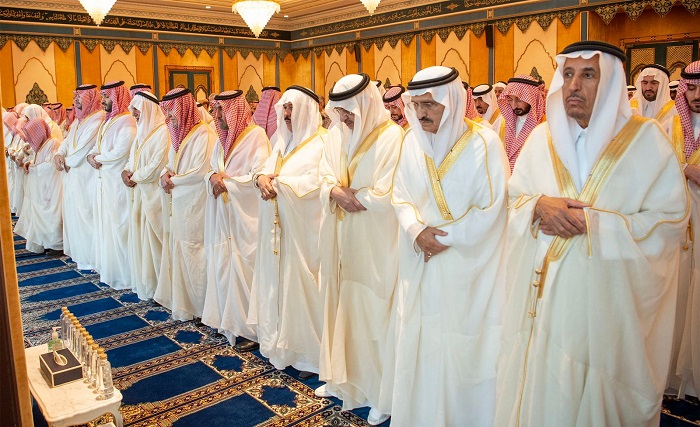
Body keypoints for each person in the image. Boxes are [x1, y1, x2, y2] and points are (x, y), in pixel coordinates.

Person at [495, 41, 688, 427]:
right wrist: (538, 206)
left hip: (612, 309)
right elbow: (512, 201)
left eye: (588, 75)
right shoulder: (542, 139)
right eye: (567, 74)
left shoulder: (647, 141)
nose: (573, 85)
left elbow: (670, 222)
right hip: (548, 304)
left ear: (611, 82)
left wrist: (596, 225)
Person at [391, 66, 509, 427]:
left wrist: (445, 237)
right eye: (416, 105)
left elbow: (494, 207)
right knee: (422, 337)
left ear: (453, 102)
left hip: (467, 266)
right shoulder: (410, 141)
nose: (421, 112)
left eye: (430, 104)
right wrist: (415, 230)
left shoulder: (484, 142)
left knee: (463, 344)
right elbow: (400, 195)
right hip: (419, 259)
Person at [317, 73, 403, 425]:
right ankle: (343, 380)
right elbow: (323, 175)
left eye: (348, 111)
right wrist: (335, 192)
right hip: (340, 236)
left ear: (366, 103)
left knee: (374, 311)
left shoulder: (391, 137)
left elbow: (389, 192)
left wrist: (354, 197)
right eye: (339, 111)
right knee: (340, 305)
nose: (344, 117)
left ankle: (380, 392)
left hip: (375, 243)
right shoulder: (336, 134)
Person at [248, 85, 328, 378]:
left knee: (304, 287)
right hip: (277, 230)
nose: (286, 114)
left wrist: (280, 184)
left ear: (306, 109)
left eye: (292, 108)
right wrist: (260, 179)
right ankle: (280, 344)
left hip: (306, 233)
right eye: (284, 108)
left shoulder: (324, 142)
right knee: (277, 285)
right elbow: (264, 169)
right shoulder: (281, 140)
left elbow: (321, 182)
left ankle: (309, 354)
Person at [202, 90, 269, 351]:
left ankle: (251, 330)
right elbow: (212, 168)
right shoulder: (221, 140)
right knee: (223, 265)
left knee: (246, 269)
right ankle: (228, 322)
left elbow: (259, 175)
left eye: (222, 110)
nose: (217, 115)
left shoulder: (256, 137)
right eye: (215, 110)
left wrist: (227, 182)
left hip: (246, 218)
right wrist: (212, 178)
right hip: (223, 215)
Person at [155, 88, 216, 321]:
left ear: (184, 109)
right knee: (181, 250)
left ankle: (202, 308)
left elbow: (199, 172)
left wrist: (173, 180)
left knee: (196, 252)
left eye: (172, 110)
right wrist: (164, 174)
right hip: (180, 204)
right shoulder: (179, 135)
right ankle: (185, 305)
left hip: (196, 205)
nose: (168, 116)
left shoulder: (204, 135)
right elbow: (171, 164)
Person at [664, 61, 700, 399]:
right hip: (674, 227)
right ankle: (673, 376)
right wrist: (685, 169)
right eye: (692, 88)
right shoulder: (669, 124)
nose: (697, 95)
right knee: (674, 295)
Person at [87, 81, 137, 289]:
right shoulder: (108, 121)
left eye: (107, 97)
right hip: (104, 183)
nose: (103, 101)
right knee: (107, 225)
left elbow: (120, 151)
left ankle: (126, 276)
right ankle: (112, 271)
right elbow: (97, 147)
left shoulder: (127, 121)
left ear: (117, 97)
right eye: (103, 97)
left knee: (120, 227)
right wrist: (92, 156)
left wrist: (98, 158)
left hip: (117, 184)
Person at [123, 91, 170, 300]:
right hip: (139, 195)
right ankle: (148, 288)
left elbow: (156, 166)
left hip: (154, 197)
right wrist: (125, 171)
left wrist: (134, 177)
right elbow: (131, 159)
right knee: (142, 244)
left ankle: (161, 290)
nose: (134, 114)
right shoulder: (141, 133)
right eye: (133, 110)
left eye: (137, 110)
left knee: (156, 245)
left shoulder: (163, 132)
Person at [54, 84, 105, 270]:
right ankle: (80, 256)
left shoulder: (98, 119)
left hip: (86, 178)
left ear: (90, 99)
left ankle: (92, 260)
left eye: (79, 98)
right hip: (72, 177)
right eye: (75, 97)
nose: (75, 101)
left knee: (87, 216)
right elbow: (67, 142)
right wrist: (59, 154)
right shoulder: (78, 122)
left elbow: (82, 149)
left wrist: (66, 161)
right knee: (75, 216)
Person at [13, 118, 63, 254]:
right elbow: (38, 162)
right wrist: (30, 164)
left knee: (52, 216)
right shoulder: (41, 147)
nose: (30, 139)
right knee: (42, 215)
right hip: (42, 188)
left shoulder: (53, 143)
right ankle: (45, 242)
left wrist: (34, 168)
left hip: (52, 188)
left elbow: (51, 166)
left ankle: (56, 245)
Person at [497, 75, 546, 172]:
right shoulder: (503, 123)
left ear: (531, 98)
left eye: (519, 100)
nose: (514, 106)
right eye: (510, 100)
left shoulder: (544, 125)